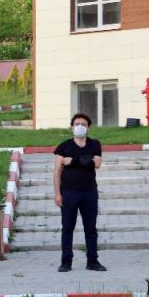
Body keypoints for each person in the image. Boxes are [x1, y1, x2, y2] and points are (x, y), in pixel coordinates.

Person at [53, 113, 106, 272]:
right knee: (67, 228)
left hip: (89, 192)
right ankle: (66, 262)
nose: (80, 126)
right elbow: (57, 171)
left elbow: (97, 163)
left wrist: (72, 161)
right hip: (69, 192)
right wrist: (57, 194)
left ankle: (92, 261)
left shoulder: (94, 144)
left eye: (83, 124)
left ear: (88, 128)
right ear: (72, 127)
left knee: (91, 228)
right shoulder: (63, 147)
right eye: (77, 124)